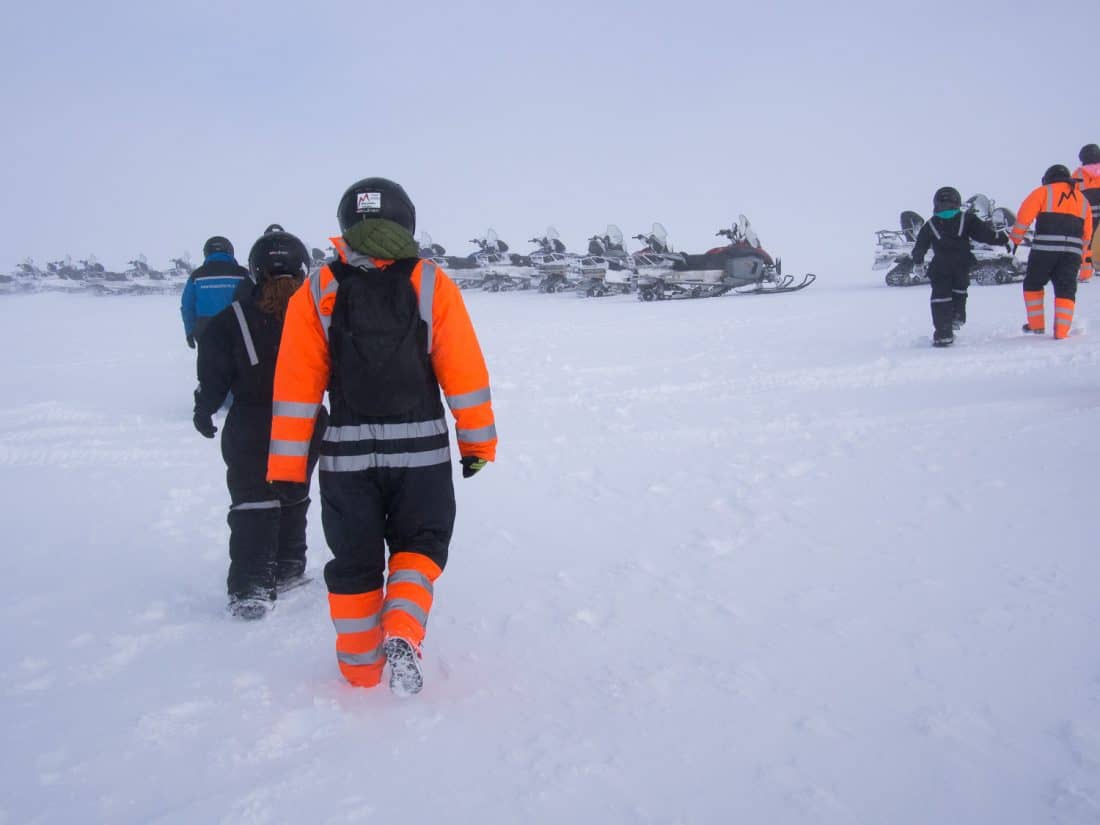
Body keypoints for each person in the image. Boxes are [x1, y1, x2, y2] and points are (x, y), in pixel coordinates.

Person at [267, 177, 497, 695]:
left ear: (348, 224)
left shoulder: (319, 288)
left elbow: (296, 386)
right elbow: (464, 371)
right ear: (406, 221)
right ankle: (403, 629)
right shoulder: (431, 282)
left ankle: (358, 671)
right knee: (420, 545)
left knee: (354, 561)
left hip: (346, 459)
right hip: (422, 455)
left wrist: (285, 468)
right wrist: (477, 445)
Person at [192, 230, 328, 619]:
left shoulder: (228, 320)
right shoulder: (320, 317)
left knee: (253, 498)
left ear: (254, 270)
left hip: (251, 423)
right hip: (305, 423)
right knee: (294, 493)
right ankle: (287, 565)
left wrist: (204, 409)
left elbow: (213, 375)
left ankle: (252, 584)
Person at [909, 186, 1005, 347]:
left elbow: (920, 246)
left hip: (940, 266)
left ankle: (943, 333)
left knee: (940, 298)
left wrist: (918, 262)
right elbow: (986, 235)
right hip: (961, 264)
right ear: (957, 202)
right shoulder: (967, 219)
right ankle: (957, 317)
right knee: (959, 291)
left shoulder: (931, 224)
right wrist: (1002, 238)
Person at [1009, 165, 1093, 339]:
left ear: (1048, 178)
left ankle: (1036, 326)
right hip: (1072, 253)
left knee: (1033, 284)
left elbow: (1024, 217)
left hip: (1044, 250)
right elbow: (1087, 234)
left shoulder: (1043, 192)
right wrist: (1083, 259)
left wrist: (1015, 240)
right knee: (1066, 289)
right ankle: (1061, 333)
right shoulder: (1082, 200)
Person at [180, 236, 249, 348]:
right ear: (230, 251)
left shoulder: (196, 276)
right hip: (238, 332)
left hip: (205, 333)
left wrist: (189, 332)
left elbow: (187, 306)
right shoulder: (243, 274)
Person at [1072, 144, 1100, 281]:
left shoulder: (1078, 174)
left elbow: (1071, 195)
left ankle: (1085, 274)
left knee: (1087, 243)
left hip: (1086, 215)